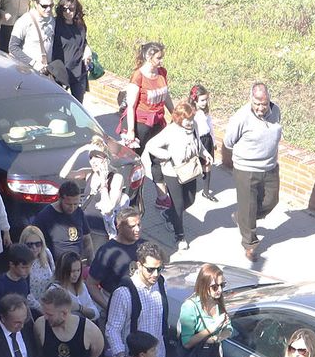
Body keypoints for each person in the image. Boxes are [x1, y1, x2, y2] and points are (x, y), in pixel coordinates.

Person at [224, 82, 284, 261]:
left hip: (270, 167)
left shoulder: (276, 111)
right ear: (251, 100)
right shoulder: (241, 117)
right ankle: (250, 244)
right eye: (256, 104)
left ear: (269, 101)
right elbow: (228, 142)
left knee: (271, 201)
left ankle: (242, 218)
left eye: (263, 104)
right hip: (246, 169)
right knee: (249, 208)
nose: (260, 108)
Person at [141, 99, 208, 251]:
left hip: (189, 169)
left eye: (191, 119)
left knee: (190, 200)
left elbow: (198, 143)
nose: (190, 123)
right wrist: (167, 155)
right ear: (179, 118)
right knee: (178, 204)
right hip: (172, 172)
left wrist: (205, 154)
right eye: (186, 120)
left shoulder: (194, 127)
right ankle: (180, 236)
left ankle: (168, 215)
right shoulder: (170, 131)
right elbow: (151, 145)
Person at [31, 180, 94, 272]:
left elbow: (87, 239)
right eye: (68, 204)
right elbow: (34, 242)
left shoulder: (78, 212)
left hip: (77, 266)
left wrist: (91, 263)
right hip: (56, 267)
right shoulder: (45, 216)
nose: (72, 208)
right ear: (59, 198)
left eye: (75, 204)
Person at [87, 207, 141, 309]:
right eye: (132, 226)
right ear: (119, 227)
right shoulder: (107, 251)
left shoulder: (143, 245)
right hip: (113, 300)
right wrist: (108, 307)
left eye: (139, 225)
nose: (137, 229)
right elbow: (91, 284)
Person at [122, 41, 170, 153]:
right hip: (141, 124)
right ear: (149, 57)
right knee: (135, 156)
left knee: (159, 157)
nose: (161, 61)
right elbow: (131, 106)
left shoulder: (162, 72)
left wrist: (174, 113)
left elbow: (165, 95)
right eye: (159, 58)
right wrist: (131, 131)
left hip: (157, 121)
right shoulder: (138, 76)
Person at [52, 0, 92, 102]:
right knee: (58, 104)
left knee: (77, 104)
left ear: (76, 9)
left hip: (79, 71)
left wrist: (87, 49)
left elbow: (83, 41)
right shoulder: (55, 24)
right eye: (64, 9)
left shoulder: (80, 25)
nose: (68, 12)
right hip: (61, 71)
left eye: (71, 9)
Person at [84, 139, 127, 240]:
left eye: (96, 156)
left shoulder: (116, 178)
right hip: (86, 228)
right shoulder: (90, 174)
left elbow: (108, 209)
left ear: (105, 159)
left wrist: (103, 184)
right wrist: (79, 152)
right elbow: (63, 175)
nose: (93, 161)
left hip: (102, 232)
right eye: (90, 157)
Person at [0, 245, 34, 323]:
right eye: (23, 267)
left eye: (29, 267)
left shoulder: (24, 281)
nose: (28, 271)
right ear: (12, 264)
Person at [8, 0, 53, 73]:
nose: (48, 9)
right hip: (28, 70)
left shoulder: (52, 20)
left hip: (46, 70)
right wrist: (33, 63)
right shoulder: (24, 21)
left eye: (51, 6)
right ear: (36, 4)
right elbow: (13, 47)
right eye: (44, 6)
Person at [52, 251, 100, 321]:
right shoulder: (54, 290)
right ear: (63, 271)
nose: (76, 275)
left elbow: (95, 313)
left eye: (78, 270)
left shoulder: (82, 286)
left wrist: (80, 308)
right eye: (72, 271)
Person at [188, 84, 217, 201]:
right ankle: (191, 190)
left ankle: (206, 191)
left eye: (206, 100)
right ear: (195, 100)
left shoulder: (205, 111)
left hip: (207, 139)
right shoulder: (191, 113)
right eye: (202, 100)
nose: (205, 103)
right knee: (195, 165)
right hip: (196, 140)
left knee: (207, 164)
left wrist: (213, 140)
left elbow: (210, 125)